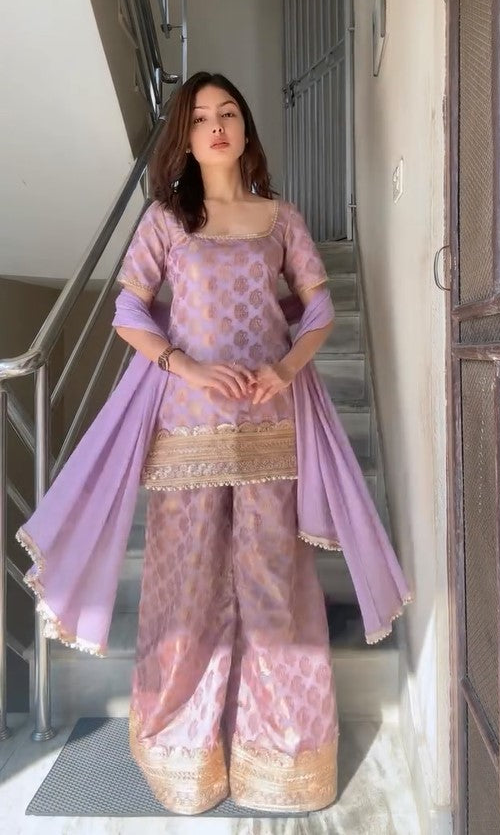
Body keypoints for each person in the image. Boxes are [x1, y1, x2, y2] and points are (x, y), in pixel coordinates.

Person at [113, 71, 340, 814]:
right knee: (188, 587)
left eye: (229, 113)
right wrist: (187, 366)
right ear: (185, 136)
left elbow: (319, 311)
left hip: (269, 426)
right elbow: (128, 312)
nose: (216, 126)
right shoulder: (165, 220)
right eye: (201, 117)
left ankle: (285, 753)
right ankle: (184, 750)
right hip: (186, 427)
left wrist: (284, 370)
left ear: (245, 129)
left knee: (274, 585)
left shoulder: (280, 219)